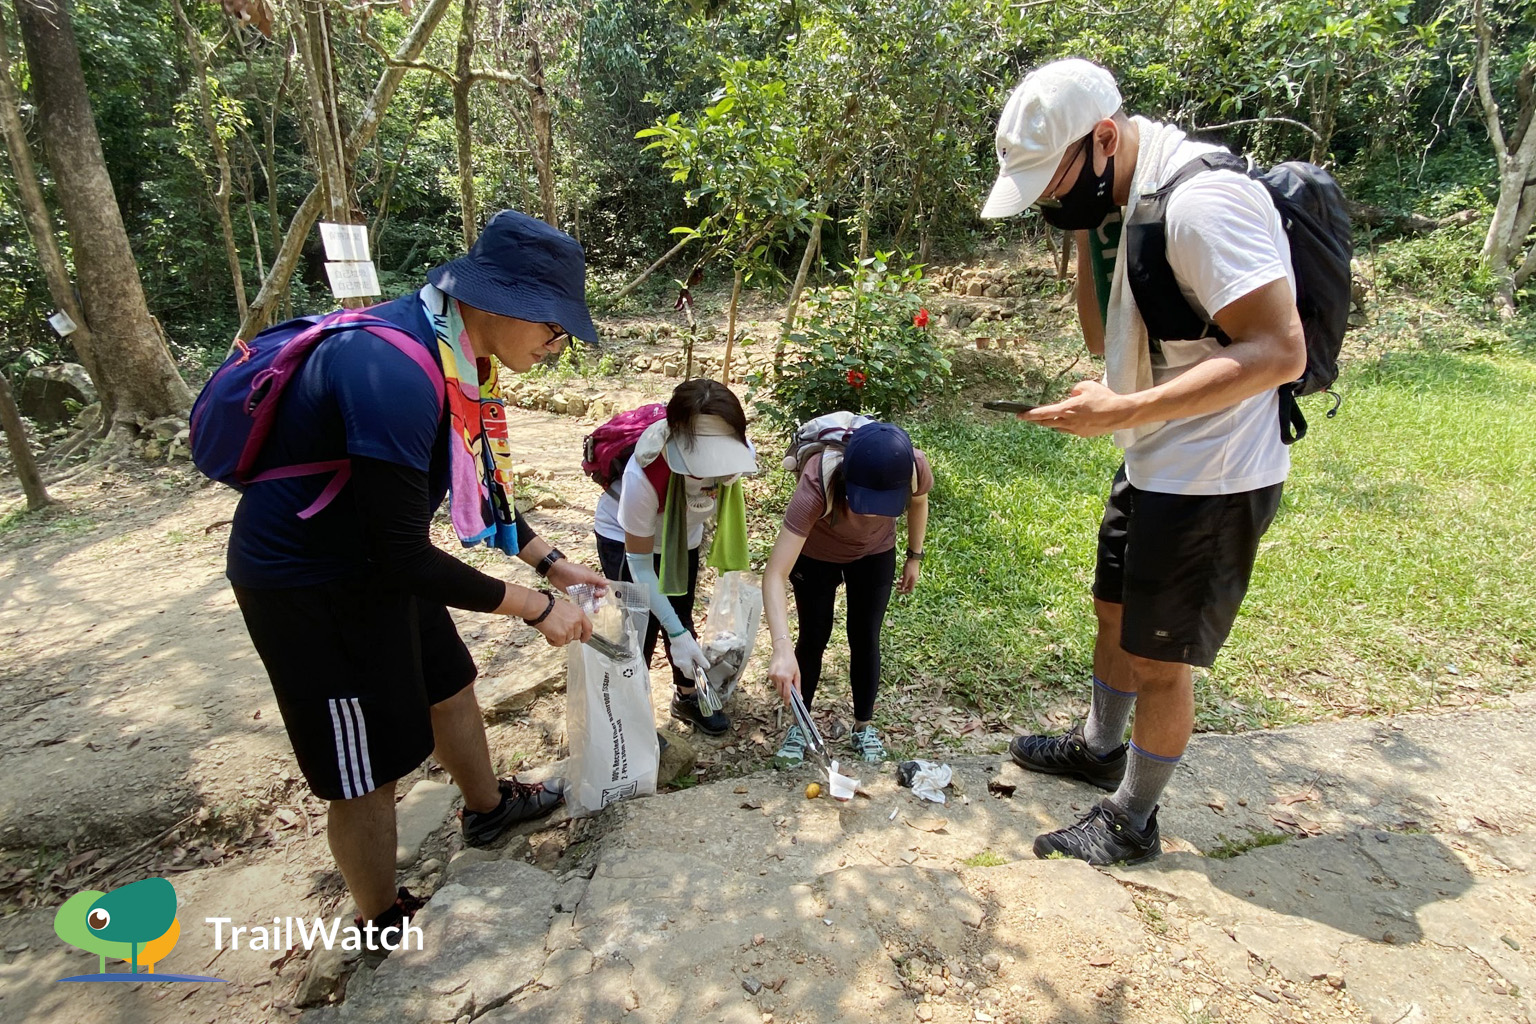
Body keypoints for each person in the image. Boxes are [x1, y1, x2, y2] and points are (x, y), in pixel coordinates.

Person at [225, 210, 609, 941]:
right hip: (311, 582)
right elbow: (402, 553)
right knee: (365, 767)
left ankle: (488, 809)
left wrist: (554, 565)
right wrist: (535, 607)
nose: (556, 344)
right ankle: (379, 919)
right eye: (554, 327)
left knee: (447, 682)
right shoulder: (394, 370)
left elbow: (481, 485)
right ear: (501, 302)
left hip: (376, 558)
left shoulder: (458, 357)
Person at [979, 59, 1306, 865]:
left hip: (1213, 472)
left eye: (1053, 184)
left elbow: (1279, 350)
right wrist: (1087, 226)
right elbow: (1104, 338)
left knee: (1161, 656)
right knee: (1113, 611)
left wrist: (1122, 411)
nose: (1049, 202)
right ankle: (1099, 747)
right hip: (1156, 452)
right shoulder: (1133, 200)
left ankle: (1132, 818)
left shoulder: (1201, 203)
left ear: (1104, 137)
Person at [593, 379, 758, 735]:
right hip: (627, 541)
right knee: (638, 630)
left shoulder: (738, 451)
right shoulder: (645, 474)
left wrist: (679, 630)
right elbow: (640, 566)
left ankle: (686, 696)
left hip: (683, 538)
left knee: (680, 613)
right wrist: (675, 632)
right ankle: (630, 718)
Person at [762, 421, 932, 764]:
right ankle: (801, 726)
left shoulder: (912, 466)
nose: (873, 512)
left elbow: (919, 501)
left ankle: (863, 727)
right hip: (816, 557)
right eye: (865, 501)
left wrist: (914, 556)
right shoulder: (817, 483)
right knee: (813, 637)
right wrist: (780, 647)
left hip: (875, 554)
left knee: (865, 636)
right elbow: (774, 573)